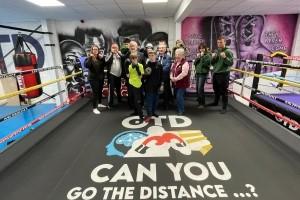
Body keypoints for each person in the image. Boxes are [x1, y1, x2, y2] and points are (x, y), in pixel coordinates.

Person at [208, 36, 234, 114]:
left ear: (225, 42)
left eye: (221, 42)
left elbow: (230, 63)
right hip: (216, 73)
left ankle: (224, 107)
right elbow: (212, 63)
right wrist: (213, 58)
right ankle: (215, 102)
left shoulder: (228, 51)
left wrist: (225, 57)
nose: (219, 44)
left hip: (224, 74)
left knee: (224, 91)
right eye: (218, 42)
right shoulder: (217, 51)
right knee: (215, 89)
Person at [85, 45, 107, 114]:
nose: (95, 50)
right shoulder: (89, 58)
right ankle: (94, 108)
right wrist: (90, 58)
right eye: (94, 49)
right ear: (92, 50)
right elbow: (87, 65)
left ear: (98, 50)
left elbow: (104, 65)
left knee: (100, 91)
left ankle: (99, 103)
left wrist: (103, 58)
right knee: (95, 93)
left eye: (96, 49)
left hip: (100, 77)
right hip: (93, 79)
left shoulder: (100, 58)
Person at [144, 49, 163, 122]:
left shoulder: (159, 65)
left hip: (157, 86)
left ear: (155, 55)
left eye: (153, 55)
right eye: (150, 55)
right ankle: (149, 115)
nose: (151, 57)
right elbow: (144, 77)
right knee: (149, 102)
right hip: (149, 87)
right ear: (148, 56)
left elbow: (161, 76)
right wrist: (146, 74)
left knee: (155, 101)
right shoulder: (146, 65)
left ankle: (153, 112)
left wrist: (162, 84)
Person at [170, 48, 190, 115]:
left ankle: (181, 110)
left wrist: (175, 79)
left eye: (179, 54)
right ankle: (179, 108)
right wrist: (171, 77)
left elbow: (184, 74)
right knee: (177, 96)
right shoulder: (175, 62)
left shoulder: (185, 63)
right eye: (176, 54)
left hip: (182, 84)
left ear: (183, 55)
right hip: (176, 83)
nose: (177, 56)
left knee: (179, 96)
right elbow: (171, 71)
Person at [106, 43, 125, 107]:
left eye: (116, 47)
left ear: (118, 48)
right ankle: (110, 103)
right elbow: (106, 61)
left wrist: (119, 54)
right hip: (112, 74)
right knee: (111, 89)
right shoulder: (109, 54)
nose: (114, 49)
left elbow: (124, 58)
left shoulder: (120, 54)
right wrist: (111, 54)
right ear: (111, 48)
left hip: (119, 74)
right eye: (113, 47)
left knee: (118, 88)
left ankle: (120, 100)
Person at [127, 53, 144, 122]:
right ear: (131, 59)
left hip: (137, 85)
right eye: (132, 58)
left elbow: (141, 76)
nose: (134, 60)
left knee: (138, 100)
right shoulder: (130, 66)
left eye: (135, 58)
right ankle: (135, 111)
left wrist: (137, 69)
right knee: (132, 99)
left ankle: (141, 114)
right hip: (131, 84)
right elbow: (129, 75)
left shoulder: (140, 65)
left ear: (137, 58)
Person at [194, 43, 211, 108]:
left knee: (200, 88)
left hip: (203, 74)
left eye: (203, 48)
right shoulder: (199, 55)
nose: (201, 50)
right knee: (197, 88)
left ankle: (202, 103)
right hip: (198, 73)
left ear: (205, 48)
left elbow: (206, 64)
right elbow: (195, 63)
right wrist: (198, 57)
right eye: (200, 48)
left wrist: (202, 57)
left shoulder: (208, 55)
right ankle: (199, 100)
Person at [157, 41, 172, 109]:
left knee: (166, 92)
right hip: (157, 78)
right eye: (160, 48)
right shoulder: (156, 57)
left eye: (163, 48)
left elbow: (167, 68)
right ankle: (156, 105)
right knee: (156, 92)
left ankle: (166, 105)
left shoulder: (168, 57)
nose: (161, 49)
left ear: (165, 49)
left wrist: (157, 70)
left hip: (165, 78)